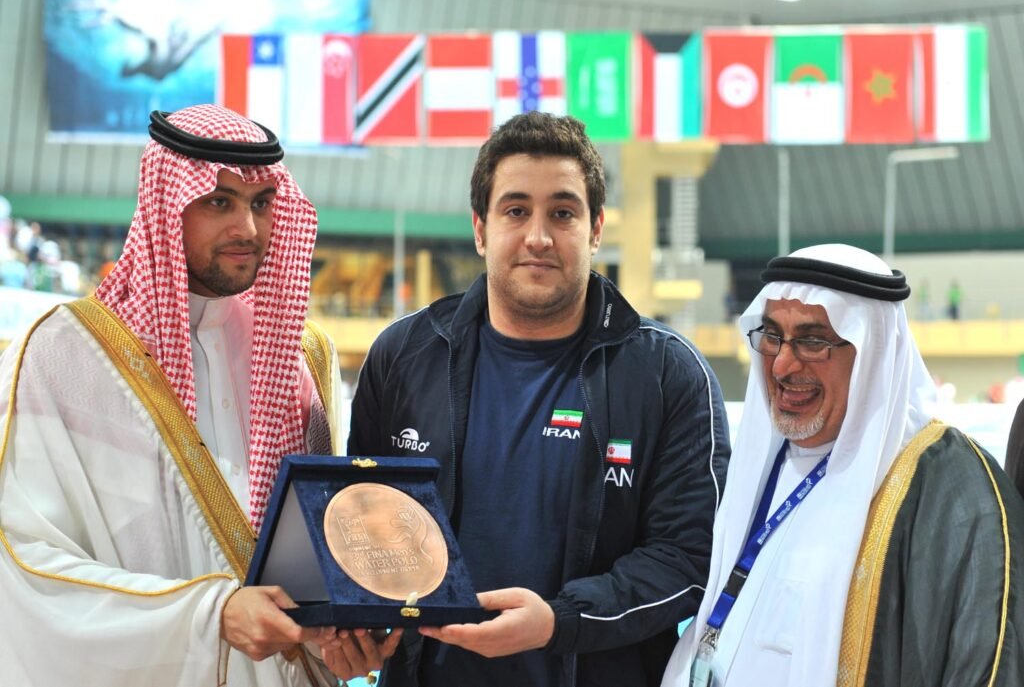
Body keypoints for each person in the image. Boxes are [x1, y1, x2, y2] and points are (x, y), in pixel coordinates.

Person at [0, 105, 399, 686]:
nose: (249, 229)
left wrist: (332, 641)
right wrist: (210, 616)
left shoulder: (300, 356)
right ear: (167, 203)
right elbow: (22, 560)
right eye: (219, 202)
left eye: (261, 203)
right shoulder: (63, 354)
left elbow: (312, 550)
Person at [348, 111, 730, 687]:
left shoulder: (668, 375)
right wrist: (354, 633)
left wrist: (560, 622)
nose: (538, 237)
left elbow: (691, 557)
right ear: (480, 229)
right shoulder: (404, 356)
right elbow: (361, 524)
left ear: (596, 229)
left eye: (563, 213)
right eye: (516, 210)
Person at [661, 244, 1024, 687]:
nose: (782, 364)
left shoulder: (951, 490)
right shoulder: (765, 464)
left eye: (813, 341)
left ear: (873, 352)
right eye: (772, 335)